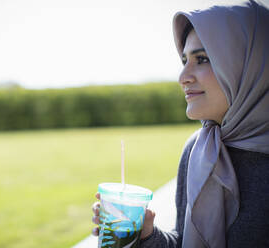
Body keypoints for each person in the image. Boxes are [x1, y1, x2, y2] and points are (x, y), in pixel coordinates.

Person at [91, 0, 269, 247]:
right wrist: (146, 235)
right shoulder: (199, 147)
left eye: (203, 59)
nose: (183, 77)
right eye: (185, 60)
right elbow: (185, 241)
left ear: (250, 66)